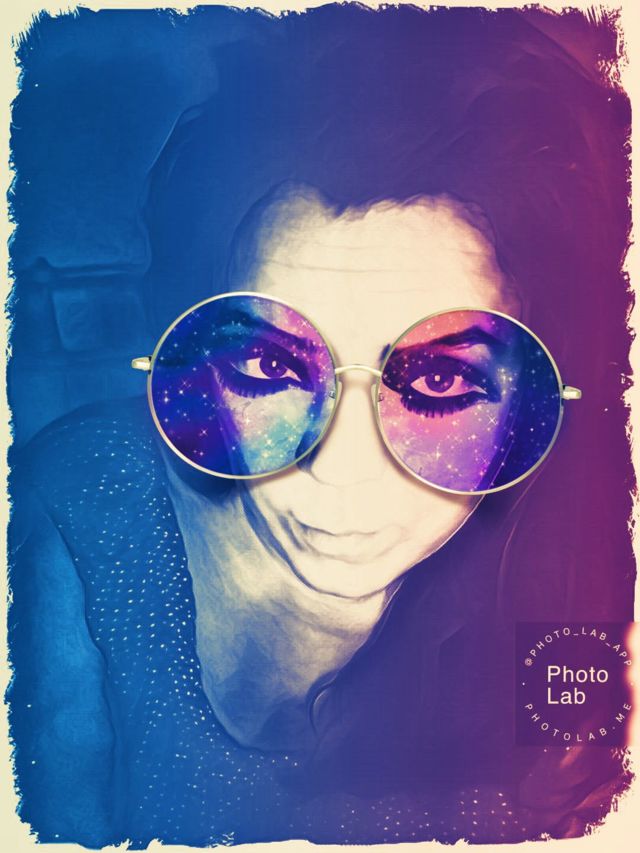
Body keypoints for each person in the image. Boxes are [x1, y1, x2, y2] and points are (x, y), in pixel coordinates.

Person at [8, 7, 633, 849]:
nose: (338, 470)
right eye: (268, 365)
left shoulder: (591, 580)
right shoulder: (85, 503)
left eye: (439, 380)